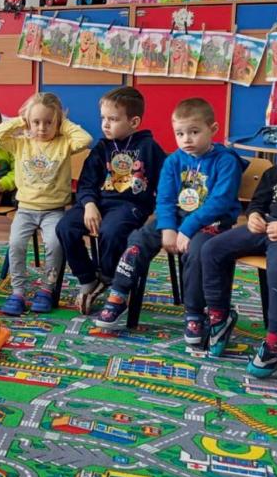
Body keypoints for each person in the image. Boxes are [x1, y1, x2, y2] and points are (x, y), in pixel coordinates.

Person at [94, 98, 243, 348]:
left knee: (197, 252)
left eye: (194, 132)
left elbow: (220, 202)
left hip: (212, 221)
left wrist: (186, 229)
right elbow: (164, 198)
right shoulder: (174, 161)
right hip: (176, 219)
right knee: (138, 240)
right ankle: (119, 294)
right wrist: (168, 228)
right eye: (180, 134)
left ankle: (194, 313)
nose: (186, 139)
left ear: (213, 129)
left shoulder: (226, 161)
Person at [56, 87, 166, 314]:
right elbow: (86, 182)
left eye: (113, 119)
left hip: (130, 206)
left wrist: (161, 211)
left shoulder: (149, 148)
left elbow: (167, 181)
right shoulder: (101, 148)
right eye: (103, 118)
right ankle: (88, 277)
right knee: (65, 226)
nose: (105, 124)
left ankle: (107, 277)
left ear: (134, 122)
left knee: (112, 231)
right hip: (96, 203)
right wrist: (89, 205)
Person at [0, 93, 92, 316]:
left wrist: (63, 123)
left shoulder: (64, 143)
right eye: (36, 122)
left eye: (49, 122)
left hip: (53, 211)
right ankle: (18, 292)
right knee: (16, 245)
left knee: (55, 245)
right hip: (25, 209)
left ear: (57, 123)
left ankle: (47, 289)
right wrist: (21, 121)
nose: (42, 128)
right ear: (29, 122)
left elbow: (85, 139)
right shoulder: (20, 143)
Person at [200, 163, 277, 375]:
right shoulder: (274, 172)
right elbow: (258, 203)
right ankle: (219, 317)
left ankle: (275, 342)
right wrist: (254, 216)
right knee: (212, 249)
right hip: (265, 227)